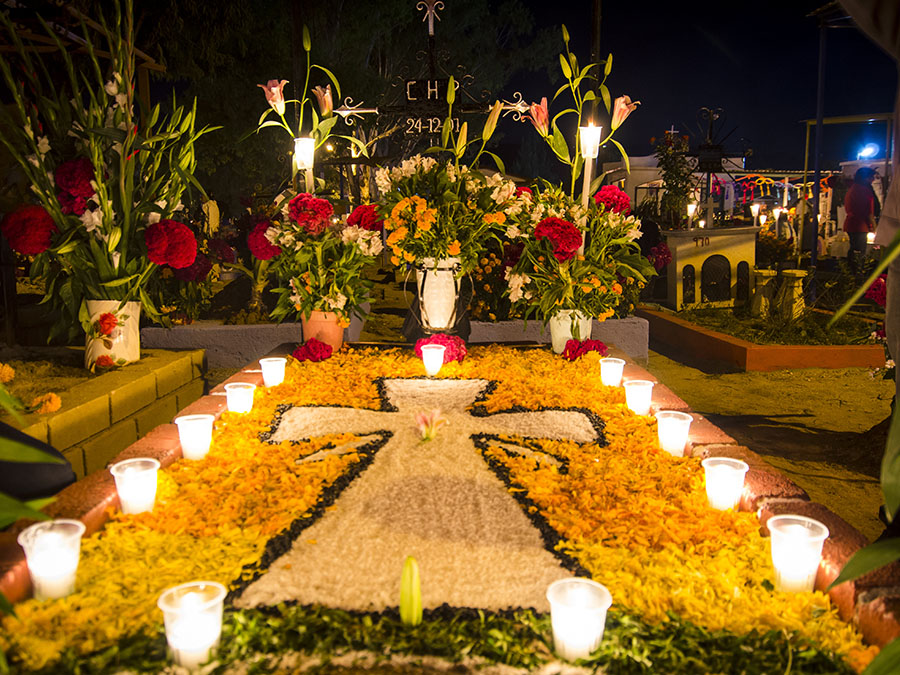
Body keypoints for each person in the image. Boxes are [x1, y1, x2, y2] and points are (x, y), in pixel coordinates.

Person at [843, 167, 878, 273]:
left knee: (854, 249)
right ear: (866, 178)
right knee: (859, 251)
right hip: (859, 225)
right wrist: (874, 227)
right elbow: (868, 212)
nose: (873, 180)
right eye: (871, 177)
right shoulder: (863, 190)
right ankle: (856, 273)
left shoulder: (853, 188)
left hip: (853, 223)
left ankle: (851, 271)